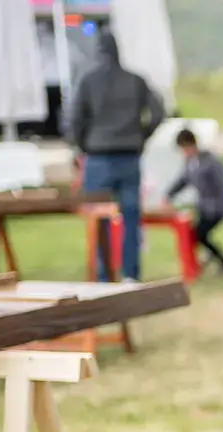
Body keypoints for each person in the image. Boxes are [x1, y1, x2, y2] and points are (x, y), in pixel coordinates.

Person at [68, 28, 165, 283]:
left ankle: (103, 274)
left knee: (98, 218)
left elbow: (74, 118)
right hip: (129, 155)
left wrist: (82, 146)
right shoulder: (135, 80)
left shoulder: (87, 80)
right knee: (131, 216)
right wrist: (141, 136)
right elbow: (158, 112)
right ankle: (130, 274)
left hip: (98, 157)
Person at [166, 128, 223, 275]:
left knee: (198, 235)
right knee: (199, 236)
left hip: (217, 207)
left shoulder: (210, 161)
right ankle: (215, 261)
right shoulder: (191, 163)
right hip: (204, 207)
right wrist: (169, 194)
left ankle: (219, 262)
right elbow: (183, 180)